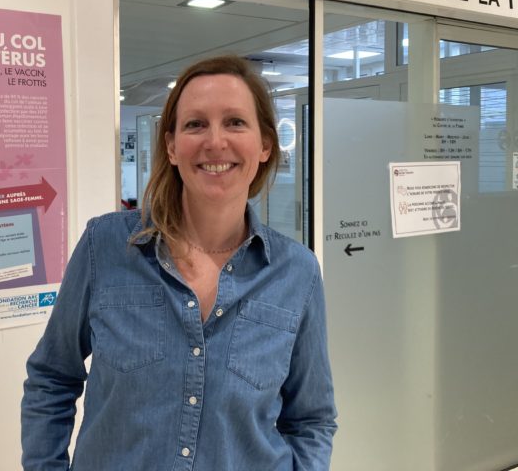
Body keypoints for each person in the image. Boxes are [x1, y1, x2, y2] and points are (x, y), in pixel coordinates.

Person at [21, 55, 337, 470]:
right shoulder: (107, 246)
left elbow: (311, 419)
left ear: (264, 145)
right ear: (171, 146)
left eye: (235, 122)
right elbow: (52, 378)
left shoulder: (296, 272)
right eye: (196, 124)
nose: (215, 141)